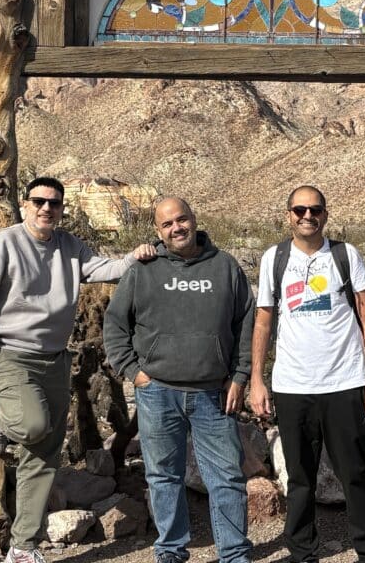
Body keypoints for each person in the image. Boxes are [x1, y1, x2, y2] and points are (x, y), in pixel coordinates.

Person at [0, 176, 156, 563]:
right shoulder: (4, 245)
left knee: (43, 455)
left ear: (62, 209)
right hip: (9, 356)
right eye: (39, 201)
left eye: (54, 203)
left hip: (54, 359)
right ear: (25, 204)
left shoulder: (68, 246)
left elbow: (99, 268)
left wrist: (133, 258)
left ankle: (23, 547)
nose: (46, 208)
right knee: (30, 424)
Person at [103, 197, 255, 563]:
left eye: (182, 219)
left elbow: (245, 324)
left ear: (194, 219)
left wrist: (240, 376)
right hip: (158, 392)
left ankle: (234, 554)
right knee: (162, 477)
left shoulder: (225, 267)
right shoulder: (144, 270)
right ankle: (170, 551)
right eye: (167, 224)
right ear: (158, 231)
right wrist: (134, 372)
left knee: (226, 478)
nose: (177, 228)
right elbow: (115, 324)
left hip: (214, 394)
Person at [250, 185, 365, 563]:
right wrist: (257, 380)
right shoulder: (273, 259)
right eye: (299, 210)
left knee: (355, 476)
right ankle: (303, 552)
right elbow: (263, 321)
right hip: (293, 385)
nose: (307, 216)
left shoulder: (345, 255)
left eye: (315, 210)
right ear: (288, 214)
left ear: (325, 214)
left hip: (345, 382)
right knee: (299, 480)